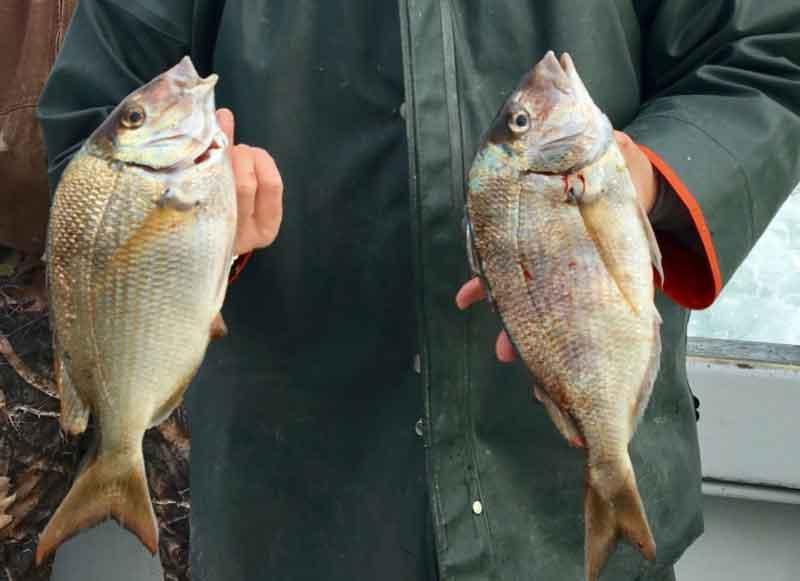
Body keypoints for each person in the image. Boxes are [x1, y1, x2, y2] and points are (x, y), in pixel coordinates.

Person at [37, 1, 800, 580]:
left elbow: (765, 54)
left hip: (566, 511)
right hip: (297, 503)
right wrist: (189, 227)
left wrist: (652, 176)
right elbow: (98, 132)